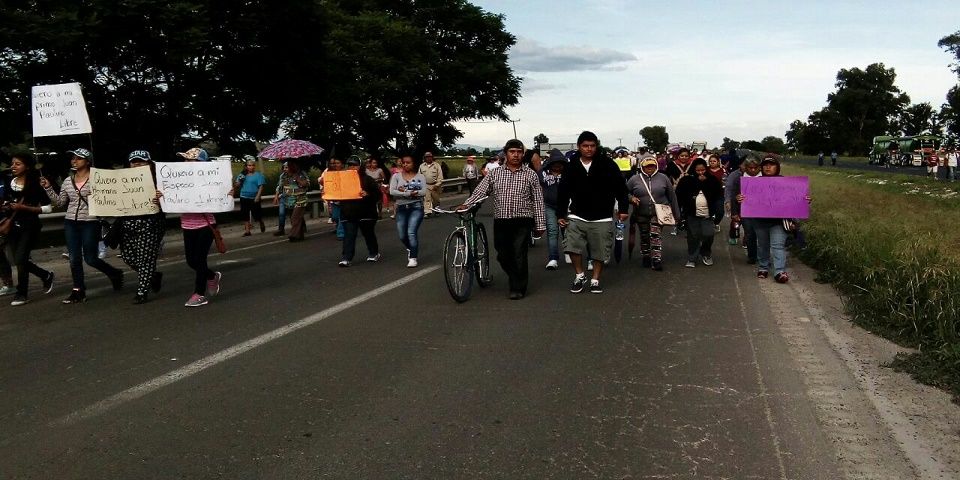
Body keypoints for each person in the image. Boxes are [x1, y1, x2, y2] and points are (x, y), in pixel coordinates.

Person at [460, 139, 545, 299]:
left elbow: (538, 200)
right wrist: (467, 204)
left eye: (519, 152)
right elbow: (480, 191)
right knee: (502, 254)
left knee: (519, 253)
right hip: (502, 220)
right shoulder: (495, 173)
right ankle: (515, 276)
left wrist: (540, 224)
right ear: (506, 154)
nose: (516, 155)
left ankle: (517, 288)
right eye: (512, 152)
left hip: (523, 220)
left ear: (523, 154)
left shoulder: (531, 175)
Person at [40, 147, 124, 303]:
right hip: (71, 222)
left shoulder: (98, 179)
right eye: (73, 158)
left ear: (87, 161)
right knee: (74, 258)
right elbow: (60, 202)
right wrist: (48, 188)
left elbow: (110, 199)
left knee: (91, 258)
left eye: (78, 158)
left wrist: (97, 197)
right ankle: (78, 290)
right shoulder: (68, 180)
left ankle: (114, 273)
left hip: (90, 222)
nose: (74, 161)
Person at [556, 131, 629, 294]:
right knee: (571, 246)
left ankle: (595, 280)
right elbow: (563, 191)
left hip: (602, 216)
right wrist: (560, 214)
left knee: (600, 251)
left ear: (596, 146)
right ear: (579, 147)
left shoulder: (608, 164)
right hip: (576, 214)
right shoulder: (571, 166)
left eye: (592, 146)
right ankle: (580, 275)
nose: (589, 149)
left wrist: (623, 209)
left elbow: (620, 188)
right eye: (585, 146)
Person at [737, 156, 811, 283]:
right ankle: (763, 267)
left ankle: (779, 271)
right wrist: (740, 198)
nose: (768, 167)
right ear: (762, 167)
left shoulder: (786, 183)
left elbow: (794, 200)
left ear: (777, 167)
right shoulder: (754, 183)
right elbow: (745, 199)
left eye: (771, 164)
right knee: (763, 245)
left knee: (778, 245)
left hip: (779, 222)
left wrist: (804, 200)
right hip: (759, 221)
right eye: (765, 165)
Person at [1, 152, 55, 306]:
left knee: (20, 259)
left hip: (29, 226)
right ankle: (45, 275)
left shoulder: (36, 184)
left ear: (27, 166)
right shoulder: (9, 182)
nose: (13, 166)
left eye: (18, 164)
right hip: (12, 226)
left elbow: (48, 208)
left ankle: (21, 293)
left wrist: (24, 208)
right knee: (20, 260)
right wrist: (6, 206)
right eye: (12, 163)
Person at [171, 148, 221, 307]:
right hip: (187, 225)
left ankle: (199, 294)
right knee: (191, 261)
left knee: (200, 259)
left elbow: (220, 197)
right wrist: (162, 196)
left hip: (205, 224)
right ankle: (212, 276)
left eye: (190, 160)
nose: (186, 163)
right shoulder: (177, 179)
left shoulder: (210, 180)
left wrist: (227, 192)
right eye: (185, 159)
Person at [119, 150, 165, 304]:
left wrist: (162, 199)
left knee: (145, 258)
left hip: (150, 223)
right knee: (128, 257)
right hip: (128, 223)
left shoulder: (160, 180)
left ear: (149, 163)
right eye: (134, 161)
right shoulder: (121, 180)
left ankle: (142, 291)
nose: (137, 164)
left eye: (141, 161)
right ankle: (153, 275)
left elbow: (174, 200)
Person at [626, 155, 680, 271]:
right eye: (647, 166)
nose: (650, 168)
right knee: (644, 235)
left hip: (658, 213)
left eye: (652, 166)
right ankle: (646, 255)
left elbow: (672, 196)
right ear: (642, 167)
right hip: (641, 213)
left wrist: (676, 215)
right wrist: (631, 198)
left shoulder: (663, 178)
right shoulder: (634, 179)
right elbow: (624, 193)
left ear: (656, 166)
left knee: (655, 235)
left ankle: (656, 260)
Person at [675, 159, 724, 267]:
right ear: (694, 170)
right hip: (692, 213)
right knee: (693, 236)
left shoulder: (712, 180)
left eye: (703, 170)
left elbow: (718, 195)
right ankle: (692, 257)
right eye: (698, 171)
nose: (701, 173)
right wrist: (679, 212)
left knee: (709, 234)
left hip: (708, 213)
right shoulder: (687, 180)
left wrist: (705, 182)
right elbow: (679, 196)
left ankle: (705, 252)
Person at [338, 157, 381, 266]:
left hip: (366, 213)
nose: (352, 167)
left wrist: (368, 194)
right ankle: (346, 258)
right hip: (349, 213)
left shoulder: (368, 180)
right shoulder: (342, 180)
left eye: (355, 165)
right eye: (350, 165)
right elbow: (336, 194)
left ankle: (374, 253)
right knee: (349, 235)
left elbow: (378, 195)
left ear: (360, 166)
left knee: (368, 234)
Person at [389, 153, 426, 267]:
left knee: (411, 232)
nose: (405, 165)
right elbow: (392, 191)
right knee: (402, 235)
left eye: (408, 162)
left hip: (416, 206)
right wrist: (408, 193)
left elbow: (423, 192)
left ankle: (413, 257)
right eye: (403, 163)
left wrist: (403, 191)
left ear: (413, 164)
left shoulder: (420, 177)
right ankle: (411, 248)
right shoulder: (396, 176)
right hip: (401, 207)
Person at [729, 156, 762, 263]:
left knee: (761, 234)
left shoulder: (765, 179)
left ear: (759, 167)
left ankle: (763, 256)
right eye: (750, 168)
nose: (752, 170)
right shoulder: (739, 179)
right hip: (745, 212)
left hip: (762, 211)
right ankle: (752, 256)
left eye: (755, 168)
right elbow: (734, 195)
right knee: (750, 233)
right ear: (745, 167)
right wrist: (734, 212)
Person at [540, 149, 566, 270]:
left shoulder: (568, 172)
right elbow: (538, 186)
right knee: (552, 231)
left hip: (566, 206)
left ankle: (569, 252)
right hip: (549, 205)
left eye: (560, 163)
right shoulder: (543, 173)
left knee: (567, 231)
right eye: (555, 163)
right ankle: (553, 258)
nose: (557, 166)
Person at [234, 156, 266, 236]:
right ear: (246, 166)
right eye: (249, 165)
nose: (251, 167)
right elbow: (237, 185)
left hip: (254, 197)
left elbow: (261, 187)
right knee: (245, 214)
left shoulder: (258, 175)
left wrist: (258, 196)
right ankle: (247, 231)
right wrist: (239, 181)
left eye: (253, 165)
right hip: (244, 196)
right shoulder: (242, 175)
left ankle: (261, 222)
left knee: (257, 214)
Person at [280, 161, 310, 241]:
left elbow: (306, 184)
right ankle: (300, 235)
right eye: (284, 167)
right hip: (289, 201)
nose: (285, 169)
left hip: (300, 200)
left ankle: (293, 235)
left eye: (287, 167)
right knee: (296, 218)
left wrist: (298, 179)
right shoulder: (284, 176)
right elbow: (282, 186)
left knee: (295, 217)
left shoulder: (300, 174)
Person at [319, 157, 344, 239]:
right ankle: (340, 228)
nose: (335, 165)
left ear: (342, 164)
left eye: (337, 163)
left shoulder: (346, 173)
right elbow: (321, 182)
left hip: (344, 199)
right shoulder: (328, 172)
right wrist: (323, 180)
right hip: (334, 199)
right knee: (335, 217)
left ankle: (340, 233)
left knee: (341, 217)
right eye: (334, 163)